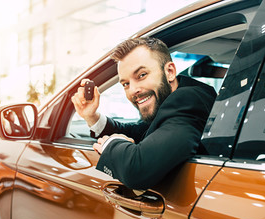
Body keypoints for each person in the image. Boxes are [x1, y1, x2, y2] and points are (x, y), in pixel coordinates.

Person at [71, 37, 216, 190]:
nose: (133, 90)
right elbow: (139, 130)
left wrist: (109, 144)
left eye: (141, 75)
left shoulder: (187, 100)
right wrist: (92, 117)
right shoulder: (170, 103)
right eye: (126, 84)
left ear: (170, 72)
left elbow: (137, 170)